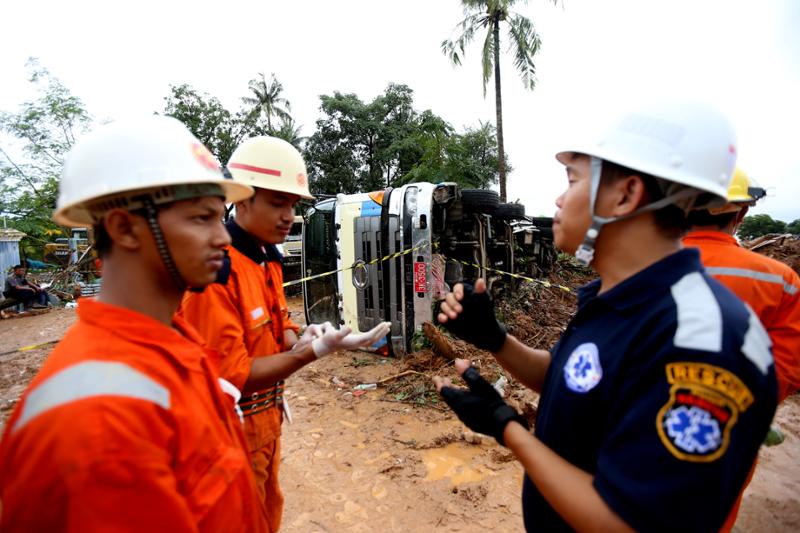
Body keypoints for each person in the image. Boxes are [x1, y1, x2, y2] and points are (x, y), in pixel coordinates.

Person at [433, 100, 778, 532]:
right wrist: (496, 339)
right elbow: (577, 379)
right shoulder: (622, 298)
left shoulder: (699, 340)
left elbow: (627, 523)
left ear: (624, 195)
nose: (559, 199)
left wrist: (508, 429)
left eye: (572, 180)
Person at [0, 116, 270, 531]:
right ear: (124, 227)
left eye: (221, 218)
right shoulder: (98, 423)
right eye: (202, 218)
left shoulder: (174, 345)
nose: (223, 238)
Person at [179, 135, 390, 532]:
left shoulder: (267, 258)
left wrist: (307, 338)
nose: (288, 216)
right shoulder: (216, 272)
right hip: (226, 441)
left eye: (292, 205)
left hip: (266, 428)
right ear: (242, 200)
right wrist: (312, 352)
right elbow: (233, 376)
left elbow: (280, 332)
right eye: (277, 203)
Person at [683, 167, 800, 531]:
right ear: (742, 212)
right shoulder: (781, 281)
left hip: (640, 419)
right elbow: (787, 369)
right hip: (732, 426)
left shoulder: (640, 267)